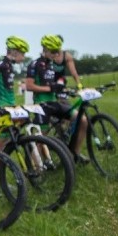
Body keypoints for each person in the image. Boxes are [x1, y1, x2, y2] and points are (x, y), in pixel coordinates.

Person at [25, 34, 89, 164]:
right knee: (40, 138)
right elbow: (29, 86)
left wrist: (65, 89)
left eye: (57, 51)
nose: (56, 54)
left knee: (82, 120)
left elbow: (56, 83)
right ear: (45, 49)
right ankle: (34, 170)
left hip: (55, 102)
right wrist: (50, 88)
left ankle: (74, 153)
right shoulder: (34, 64)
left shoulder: (52, 65)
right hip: (42, 104)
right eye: (53, 51)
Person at [0, 36, 29, 109]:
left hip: (11, 103)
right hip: (1, 105)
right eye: (23, 54)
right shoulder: (0, 65)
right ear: (15, 52)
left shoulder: (10, 65)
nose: (23, 58)